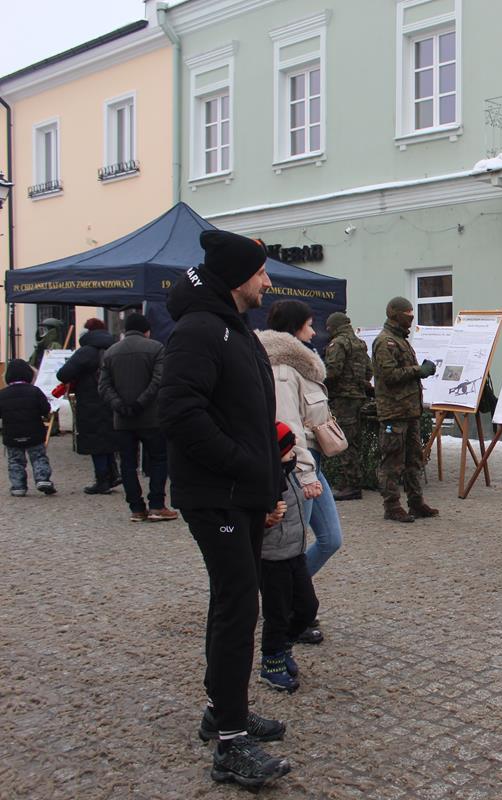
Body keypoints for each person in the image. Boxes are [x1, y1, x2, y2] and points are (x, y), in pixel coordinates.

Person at [158, 229, 291, 789]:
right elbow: (179, 413)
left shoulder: (233, 327)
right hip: (218, 496)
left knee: (234, 602)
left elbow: (246, 413)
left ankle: (222, 711)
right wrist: (242, 466)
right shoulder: (199, 330)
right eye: (260, 273)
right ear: (238, 278)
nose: (267, 282)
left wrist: (268, 473)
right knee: (238, 608)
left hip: (241, 492)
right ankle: (231, 745)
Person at [259, 300, 342, 643]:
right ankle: (291, 612)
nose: (313, 331)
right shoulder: (282, 369)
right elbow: (287, 429)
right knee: (292, 548)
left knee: (331, 539)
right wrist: (306, 475)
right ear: (294, 327)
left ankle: (291, 600)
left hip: (310, 464)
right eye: (308, 325)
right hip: (296, 468)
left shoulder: (299, 364)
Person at [97, 312, 177, 523]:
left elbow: (104, 386)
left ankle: (136, 508)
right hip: (151, 417)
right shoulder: (156, 348)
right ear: (147, 330)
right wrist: (141, 402)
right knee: (159, 459)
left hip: (123, 419)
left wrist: (119, 404)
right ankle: (157, 505)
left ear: (125, 330)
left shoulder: (111, 352)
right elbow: (159, 380)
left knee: (127, 464)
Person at [259, 422, 319, 693]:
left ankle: (285, 645)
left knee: (308, 607)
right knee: (277, 614)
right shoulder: (262, 480)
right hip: (272, 559)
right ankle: (271, 662)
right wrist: (265, 519)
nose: (293, 455)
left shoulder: (290, 472)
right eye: (288, 450)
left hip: (296, 553)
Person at [372, 296, 439, 523]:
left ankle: (416, 503)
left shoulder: (401, 340)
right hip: (394, 412)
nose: (411, 318)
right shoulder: (385, 342)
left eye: (412, 314)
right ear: (395, 314)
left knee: (414, 460)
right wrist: (419, 370)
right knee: (392, 462)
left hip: (409, 411)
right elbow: (389, 375)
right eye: (407, 314)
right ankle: (392, 506)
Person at [56, 318, 119, 494]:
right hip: (112, 399)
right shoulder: (114, 348)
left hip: (90, 400)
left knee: (95, 441)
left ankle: (102, 480)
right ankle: (113, 475)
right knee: (109, 438)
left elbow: (63, 374)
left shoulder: (85, 352)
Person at [322, 311, 372, 501]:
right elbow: (369, 371)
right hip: (358, 397)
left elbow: (332, 371)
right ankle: (352, 481)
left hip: (343, 399)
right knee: (354, 440)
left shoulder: (338, 343)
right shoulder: (360, 343)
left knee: (344, 441)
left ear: (333, 327)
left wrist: (319, 382)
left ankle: (350, 485)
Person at [0, 359, 55, 496]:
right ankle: (42, 479)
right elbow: (45, 409)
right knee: (38, 457)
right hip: (34, 432)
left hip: (12, 434)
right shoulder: (35, 391)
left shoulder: (2, 394)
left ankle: (18, 486)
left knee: (15, 461)